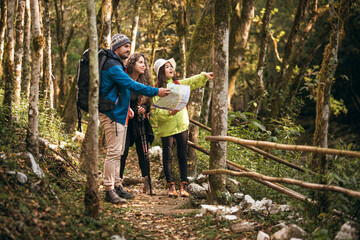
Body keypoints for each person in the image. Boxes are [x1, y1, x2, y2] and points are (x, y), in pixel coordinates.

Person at [100, 34, 170, 204]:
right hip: (112, 114)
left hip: (120, 114)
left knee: (119, 153)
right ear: (116, 47)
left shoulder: (117, 64)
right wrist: (155, 91)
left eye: (129, 46)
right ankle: (109, 189)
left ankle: (117, 186)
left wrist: (128, 110)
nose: (128, 49)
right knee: (114, 153)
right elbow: (130, 85)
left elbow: (121, 90)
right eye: (125, 46)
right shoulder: (112, 65)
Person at [153, 58, 213, 197]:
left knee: (182, 156)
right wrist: (169, 112)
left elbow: (191, 81)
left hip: (181, 125)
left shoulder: (178, 84)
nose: (171, 69)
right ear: (161, 71)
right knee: (167, 157)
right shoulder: (157, 90)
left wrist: (204, 76)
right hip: (167, 128)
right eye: (167, 67)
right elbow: (158, 114)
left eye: (171, 66)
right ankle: (170, 187)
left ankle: (183, 187)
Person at [119, 53, 155, 195]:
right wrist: (129, 109)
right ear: (132, 63)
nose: (143, 65)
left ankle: (147, 184)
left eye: (144, 63)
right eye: (140, 62)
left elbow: (149, 104)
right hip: (125, 121)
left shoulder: (145, 81)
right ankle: (118, 182)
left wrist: (143, 108)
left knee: (143, 153)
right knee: (123, 151)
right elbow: (119, 98)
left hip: (140, 121)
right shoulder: (124, 78)